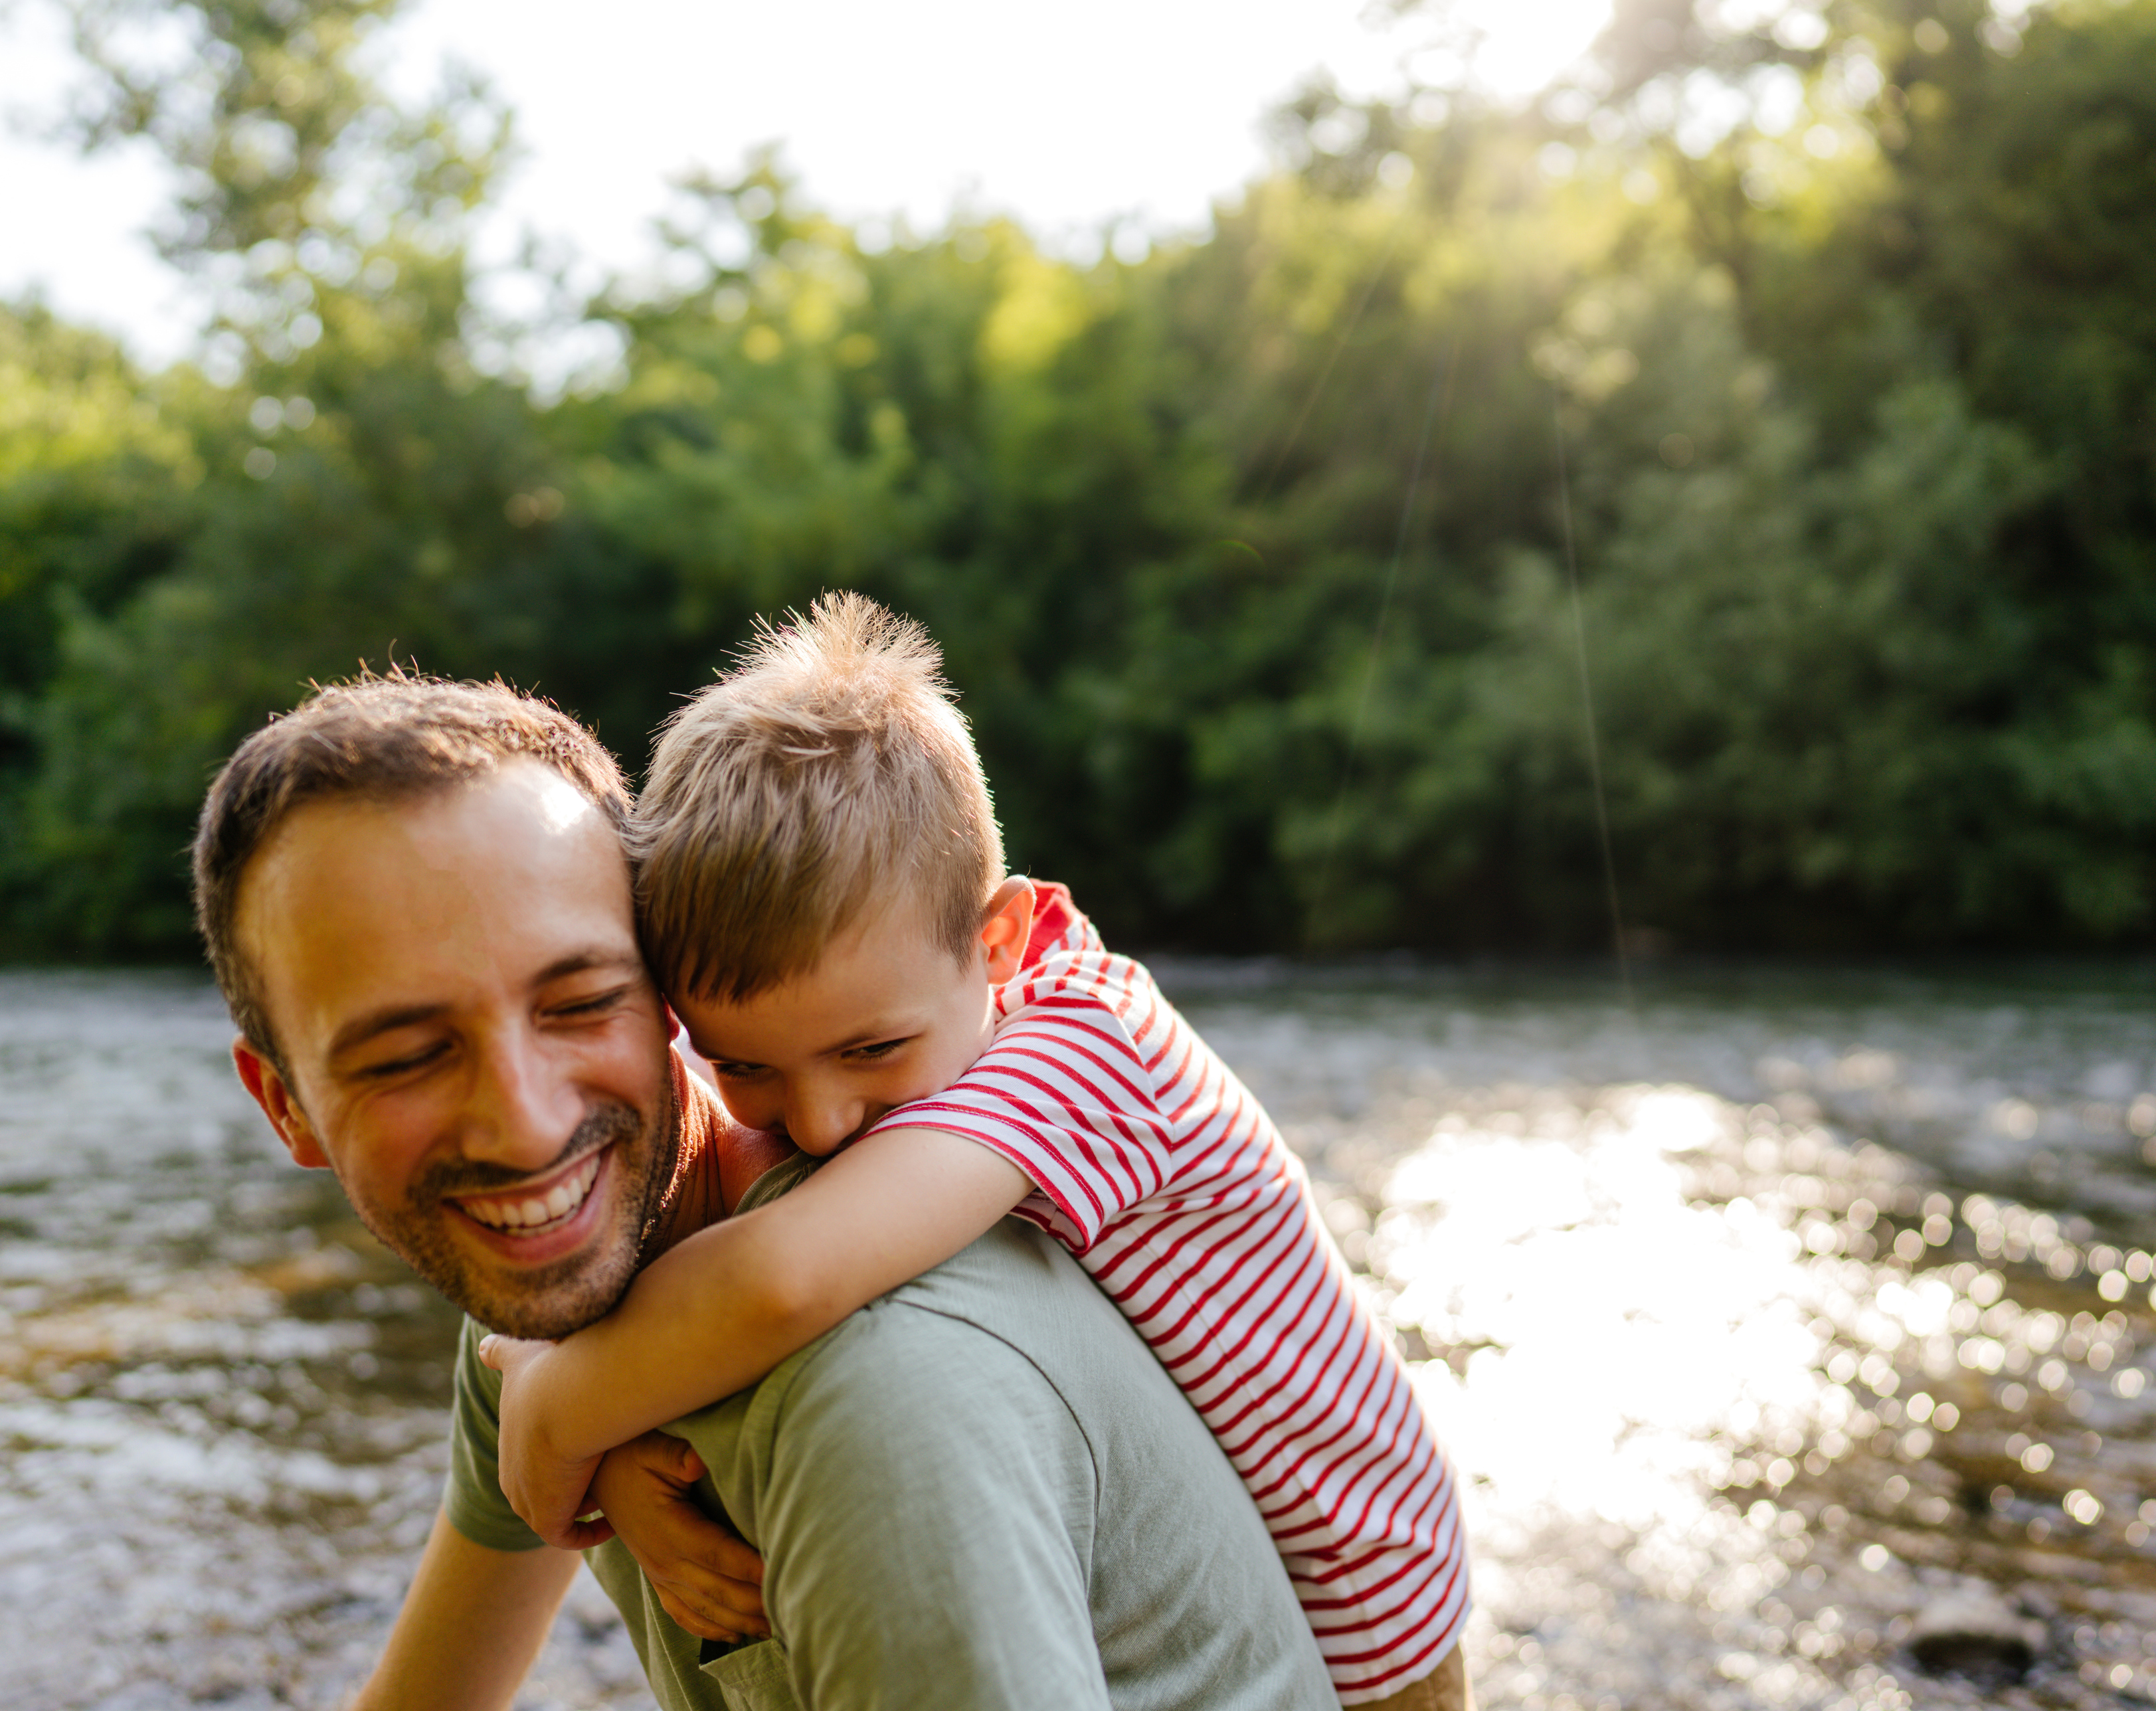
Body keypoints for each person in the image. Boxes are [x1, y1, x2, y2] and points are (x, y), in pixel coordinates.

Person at [192, 670, 1340, 1711]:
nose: (527, 1126)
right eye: (405, 1057)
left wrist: (571, 1402)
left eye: (581, 1000)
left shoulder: (889, 1397)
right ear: (284, 1104)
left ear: (664, 994)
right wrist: (566, 1397)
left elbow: (788, 1289)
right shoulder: (548, 1297)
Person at [478, 596, 1469, 1708]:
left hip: (1370, 1593)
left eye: (871, 1050)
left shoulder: (1085, 1053)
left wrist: (558, 1409)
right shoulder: (926, 1010)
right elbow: (705, 1247)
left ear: (997, 940)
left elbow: (780, 1276)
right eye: (746, 1066)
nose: (819, 1124)